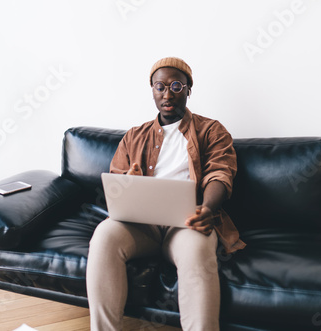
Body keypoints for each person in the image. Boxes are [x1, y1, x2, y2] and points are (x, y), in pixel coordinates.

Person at [86, 57, 246, 331]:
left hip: (188, 223)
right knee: (104, 234)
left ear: (188, 89)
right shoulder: (134, 136)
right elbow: (116, 181)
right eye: (160, 87)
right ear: (152, 90)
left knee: (197, 251)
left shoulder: (212, 131)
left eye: (175, 86)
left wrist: (207, 209)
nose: (167, 94)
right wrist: (129, 183)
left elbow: (220, 173)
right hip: (141, 225)